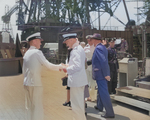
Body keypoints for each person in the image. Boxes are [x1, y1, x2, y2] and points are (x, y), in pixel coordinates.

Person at [23, 32, 62, 120]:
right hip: (35, 84)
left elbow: (24, 70)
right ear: (34, 42)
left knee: (29, 107)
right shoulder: (37, 52)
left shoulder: (27, 53)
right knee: (37, 108)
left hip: (26, 83)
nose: (41, 43)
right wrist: (61, 66)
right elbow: (48, 65)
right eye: (39, 41)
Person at [62, 33, 88, 120]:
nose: (66, 44)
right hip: (79, 81)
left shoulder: (76, 50)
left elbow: (77, 66)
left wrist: (66, 69)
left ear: (71, 40)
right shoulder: (79, 48)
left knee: (76, 106)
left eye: (67, 42)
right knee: (79, 105)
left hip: (76, 81)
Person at [91, 33, 115, 118]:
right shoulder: (102, 47)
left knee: (104, 93)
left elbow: (103, 61)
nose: (91, 41)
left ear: (95, 40)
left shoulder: (98, 48)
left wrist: (106, 74)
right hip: (101, 74)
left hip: (101, 74)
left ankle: (110, 112)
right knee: (101, 91)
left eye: (92, 39)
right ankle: (100, 106)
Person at [84, 35, 96, 102]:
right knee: (87, 81)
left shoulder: (95, 47)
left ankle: (93, 97)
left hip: (93, 65)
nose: (89, 41)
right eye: (88, 40)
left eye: (90, 40)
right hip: (86, 66)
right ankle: (88, 96)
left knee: (93, 82)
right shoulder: (86, 47)